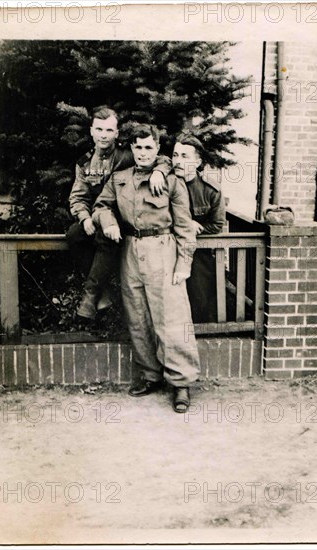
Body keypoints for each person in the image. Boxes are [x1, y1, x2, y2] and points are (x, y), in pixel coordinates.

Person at [93, 124, 200, 413]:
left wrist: (184, 264)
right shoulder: (119, 179)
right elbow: (100, 206)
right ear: (131, 149)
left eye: (148, 147)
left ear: (157, 149)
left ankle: (181, 383)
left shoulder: (172, 181)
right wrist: (109, 221)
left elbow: (185, 227)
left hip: (162, 251)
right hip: (130, 251)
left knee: (171, 318)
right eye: (137, 147)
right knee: (137, 316)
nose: (142, 153)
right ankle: (151, 375)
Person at [66, 106, 171, 319]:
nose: (104, 135)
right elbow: (78, 196)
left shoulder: (127, 154)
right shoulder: (84, 162)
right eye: (99, 129)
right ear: (91, 131)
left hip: (124, 216)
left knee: (107, 237)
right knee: (74, 235)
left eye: (109, 130)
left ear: (116, 133)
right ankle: (101, 292)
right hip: (98, 215)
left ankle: (91, 295)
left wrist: (160, 171)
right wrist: (84, 217)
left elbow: (157, 156)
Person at [172, 133, 226, 323]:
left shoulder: (210, 190)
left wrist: (198, 227)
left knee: (199, 300)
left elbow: (218, 225)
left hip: (198, 254)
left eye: (184, 156)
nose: (177, 161)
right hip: (167, 250)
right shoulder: (163, 184)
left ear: (197, 162)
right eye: (175, 155)